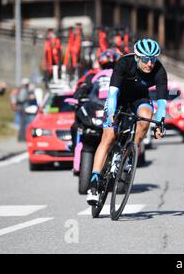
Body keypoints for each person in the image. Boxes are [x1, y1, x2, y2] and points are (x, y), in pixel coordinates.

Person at [86, 38, 168, 205]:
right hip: (120, 98)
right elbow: (112, 94)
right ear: (137, 57)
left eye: (153, 59)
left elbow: (162, 103)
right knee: (108, 136)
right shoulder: (124, 63)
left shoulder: (159, 70)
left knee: (146, 116)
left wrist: (160, 124)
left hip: (140, 98)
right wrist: (110, 115)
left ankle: (131, 152)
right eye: (146, 59)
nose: (150, 63)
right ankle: (94, 183)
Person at [70, 48, 121, 152]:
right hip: (97, 110)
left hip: (116, 111)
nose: (108, 68)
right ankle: (75, 148)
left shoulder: (121, 75)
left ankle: (127, 152)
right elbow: (83, 86)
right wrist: (79, 93)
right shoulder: (93, 75)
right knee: (76, 125)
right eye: (106, 65)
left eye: (111, 65)